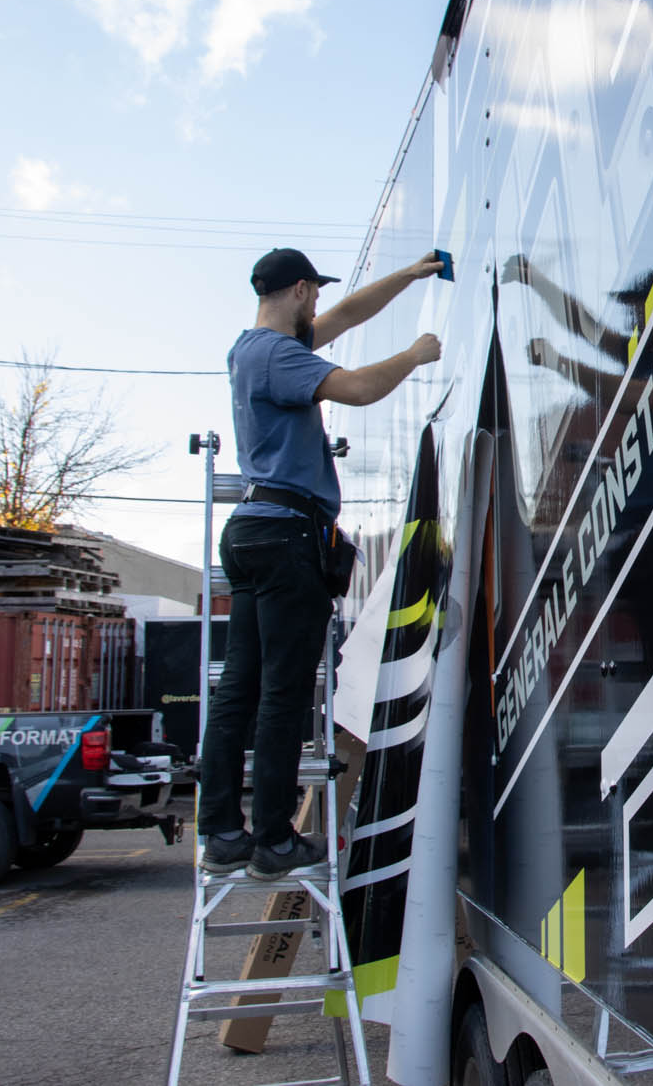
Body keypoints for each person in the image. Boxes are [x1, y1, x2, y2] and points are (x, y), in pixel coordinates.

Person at [199, 246, 443, 879]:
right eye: (315, 293)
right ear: (302, 288)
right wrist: (414, 356)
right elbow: (359, 389)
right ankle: (275, 841)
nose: (320, 305)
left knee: (239, 690)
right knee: (281, 695)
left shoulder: (249, 348)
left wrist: (410, 274)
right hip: (287, 537)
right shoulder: (282, 357)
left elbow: (348, 314)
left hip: (251, 531)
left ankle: (222, 830)